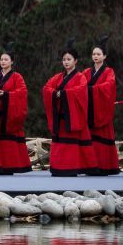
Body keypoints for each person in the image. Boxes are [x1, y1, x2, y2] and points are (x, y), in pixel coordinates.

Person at [42, 40, 97, 176]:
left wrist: (64, 93)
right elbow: (46, 88)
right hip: (60, 118)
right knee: (60, 144)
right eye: (64, 59)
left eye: (69, 59)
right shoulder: (58, 77)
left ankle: (72, 167)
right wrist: (55, 93)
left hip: (73, 118)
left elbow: (81, 91)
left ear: (75, 61)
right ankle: (58, 167)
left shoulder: (80, 77)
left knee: (73, 145)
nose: (66, 62)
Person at [0, 44, 31, 174]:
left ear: (12, 61)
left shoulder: (17, 77)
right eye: (1, 59)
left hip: (9, 116)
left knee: (8, 142)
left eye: (6, 59)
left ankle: (10, 166)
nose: (3, 62)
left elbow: (22, 92)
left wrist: (6, 94)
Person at [82, 35, 119, 175]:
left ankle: (104, 166)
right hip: (89, 108)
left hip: (101, 109)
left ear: (104, 56)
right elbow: (79, 85)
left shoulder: (109, 72)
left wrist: (91, 89)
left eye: (98, 54)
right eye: (93, 54)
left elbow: (109, 86)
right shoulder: (86, 72)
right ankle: (89, 165)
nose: (95, 56)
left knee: (101, 137)